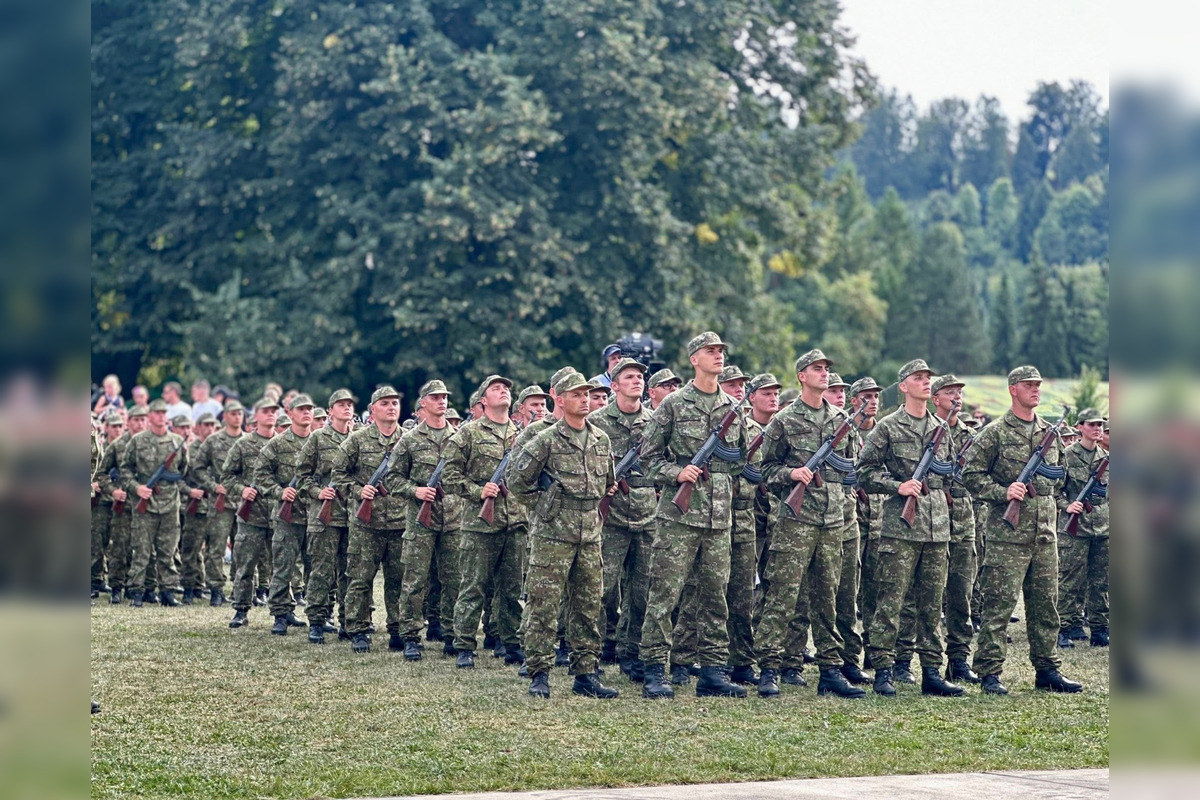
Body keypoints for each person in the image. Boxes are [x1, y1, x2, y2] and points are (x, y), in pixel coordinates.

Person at [638, 332, 748, 700]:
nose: (718, 356)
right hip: (678, 517)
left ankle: (713, 671)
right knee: (665, 594)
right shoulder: (672, 404)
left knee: (715, 596)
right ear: (694, 359)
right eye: (710, 351)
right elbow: (648, 459)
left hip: (719, 519)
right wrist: (676, 473)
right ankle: (655, 668)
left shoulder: (734, 407)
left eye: (721, 351)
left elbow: (743, 460)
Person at [963, 366, 1082, 695]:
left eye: (1039, 385)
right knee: (999, 606)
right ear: (1013, 389)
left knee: (1046, 605)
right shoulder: (995, 432)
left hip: (1045, 535)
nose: (1036, 390)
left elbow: (1060, 479)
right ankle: (989, 671)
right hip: (1007, 537)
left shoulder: (1051, 433)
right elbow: (970, 475)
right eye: (1029, 385)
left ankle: (1047, 669)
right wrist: (1004, 492)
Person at [756, 351, 864, 699]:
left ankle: (830, 669)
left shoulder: (840, 420)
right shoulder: (784, 420)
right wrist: (791, 473)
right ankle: (770, 668)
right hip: (796, 522)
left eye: (827, 369)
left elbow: (851, 468)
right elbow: (763, 470)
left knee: (827, 598)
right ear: (802, 376)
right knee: (783, 596)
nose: (824, 374)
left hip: (832, 521)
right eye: (817, 369)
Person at [508, 370, 619, 698]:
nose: (585, 399)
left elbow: (607, 481)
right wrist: (543, 508)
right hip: (552, 534)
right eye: (577, 394)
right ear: (560, 399)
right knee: (543, 604)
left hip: (589, 532)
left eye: (587, 394)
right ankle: (539, 671)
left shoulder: (601, 438)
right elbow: (516, 481)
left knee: (587, 603)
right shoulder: (545, 439)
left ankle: (586, 672)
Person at [857, 359, 963, 698]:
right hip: (901, 529)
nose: (925, 383)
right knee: (891, 602)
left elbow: (948, 475)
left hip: (936, 529)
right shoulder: (888, 427)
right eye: (918, 378)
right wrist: (897, 486)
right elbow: (862, 473)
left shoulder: (941, 427)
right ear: (903, 386)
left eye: (928, 378)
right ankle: (884, 670)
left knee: (932, 606)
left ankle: (932, 671)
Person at [444, 375, 526, 668]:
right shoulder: (467, 434)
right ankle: (464, 645)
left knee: (512, 589)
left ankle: (512, 644)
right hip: (479, 525)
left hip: (515, 522)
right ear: (483, 400)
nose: (503, 390)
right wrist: (479, 491)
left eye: (506, 388)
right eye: (495, 388)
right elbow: (450, 476)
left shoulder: (523, 434)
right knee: (473, 587)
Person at [589, 358, 655, 682]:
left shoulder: (654, 421)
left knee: (641, 592)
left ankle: (633, 655)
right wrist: (604, 483)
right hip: (610, 517)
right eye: (629, 377)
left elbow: (664, 462)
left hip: (647, 516)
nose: (637, 381)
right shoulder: (596, 421)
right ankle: (592, 655)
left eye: (640, 377)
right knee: (601, 591)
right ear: (614, 385)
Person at [331, 386, 408, 652]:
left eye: (395, 403)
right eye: (385, 403)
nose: (391, 408)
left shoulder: (408, 440)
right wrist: (357, 490)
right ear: (373, 409)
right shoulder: (357, 440)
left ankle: (398, 628)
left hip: (400, 523)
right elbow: (338, 474)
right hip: (366, 524)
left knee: (398, 580)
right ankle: (359, 630)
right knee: (360, 579)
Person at [391, 380, 464, 659]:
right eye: (435, 397)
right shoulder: (410, 440)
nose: (442, 401)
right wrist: (415, 490)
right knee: (415, 580)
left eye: (445, 397)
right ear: (423, 403)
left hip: (453, 519)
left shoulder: (459, 436)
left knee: (454, 580)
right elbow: (393, 478)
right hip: (420, 521)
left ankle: (450, 634)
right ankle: (410, 636)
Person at [295, 389, 356, 643]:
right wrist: (318, 492)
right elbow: (301, 477)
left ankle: (348, 622)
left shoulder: (359, 438)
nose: (346, 408)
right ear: (330, 411)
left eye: (349, 404)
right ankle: (317, 621)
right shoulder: (318, 439)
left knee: (350, 572)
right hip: (325, 516)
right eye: (340, 405)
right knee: (321, 571)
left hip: (353, 514)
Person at [120, 398, 189, 607]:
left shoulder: (176, 442)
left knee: (168, 550)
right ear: (150, 416)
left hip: (169, 504)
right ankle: (137, 592)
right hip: (145, 504)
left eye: (163, 413)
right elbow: (124, 470)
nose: (161, 416)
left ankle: (168, 591)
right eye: (157, 413)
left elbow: (182, 470)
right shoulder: (138, 441)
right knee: (141, 549)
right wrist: (137, 487)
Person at [257, 394, 316, 635]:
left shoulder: (319, 442)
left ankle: (319, 616)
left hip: (315, 515)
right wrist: (279, 492)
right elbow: (260, 475)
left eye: (310, 409)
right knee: (283, 567)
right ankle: (281, 614)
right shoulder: (277, 444)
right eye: (301, 409)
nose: (306, 413)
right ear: (290, 413)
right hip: (287, 517)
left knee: (318, 569)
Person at [223, 397, 279, 628]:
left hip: (278, 514)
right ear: (255, 416)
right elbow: (227, 476)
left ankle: (281, 613)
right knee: (245, 565)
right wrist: (241, 490)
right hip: (252, 514)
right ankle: (241, 609)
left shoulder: (282, 443)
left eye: (274, 411)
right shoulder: (243, 444)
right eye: (265, 411)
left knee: (280, 568)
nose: (270, 415)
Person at [1056, 407, 1110, 648]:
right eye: (1092, 424)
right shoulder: (1066, 456)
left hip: (1104, 528)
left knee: (1102, 581)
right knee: (1070, 580)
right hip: (1075, 529)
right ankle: (1064, 628)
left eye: (1100, 424)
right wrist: (1067, 506)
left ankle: (1100, 628)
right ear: (1079, 427)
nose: (1097, 428)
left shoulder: (1108, 458)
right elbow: (1054, 490)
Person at [190, 400, 245, 607]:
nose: (237, 416)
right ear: (225, 417)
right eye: (233, 413)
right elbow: (197, 468)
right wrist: (213, 486)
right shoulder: (213, 441)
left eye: (240, 413)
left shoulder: (249, 440)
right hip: (221, 504)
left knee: (243, 549)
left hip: (244, 503)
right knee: (216, 548)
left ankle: (242, 590)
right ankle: (215, 588)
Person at [178, 412, 215, 603]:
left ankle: (207, 586)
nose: (210, 429)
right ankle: (188, 587)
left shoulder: (220, 446)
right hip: (197, 504)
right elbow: (180, 477)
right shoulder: (190, 450)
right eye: (206, 425)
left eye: (213, 425)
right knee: (191, 547)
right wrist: (190, 491)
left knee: (214, 550)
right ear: (198, 427)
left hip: (217, 505)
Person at [90, 410, 125, 596]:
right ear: (106, 428)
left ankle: (118, 581)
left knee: (119, 543)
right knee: (97, 541)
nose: (117, 429)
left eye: (120, 426)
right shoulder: (99, 447)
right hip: (102, 501)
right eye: (114, 426)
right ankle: (95, 581)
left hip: (122, 500)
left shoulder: (127, 447)